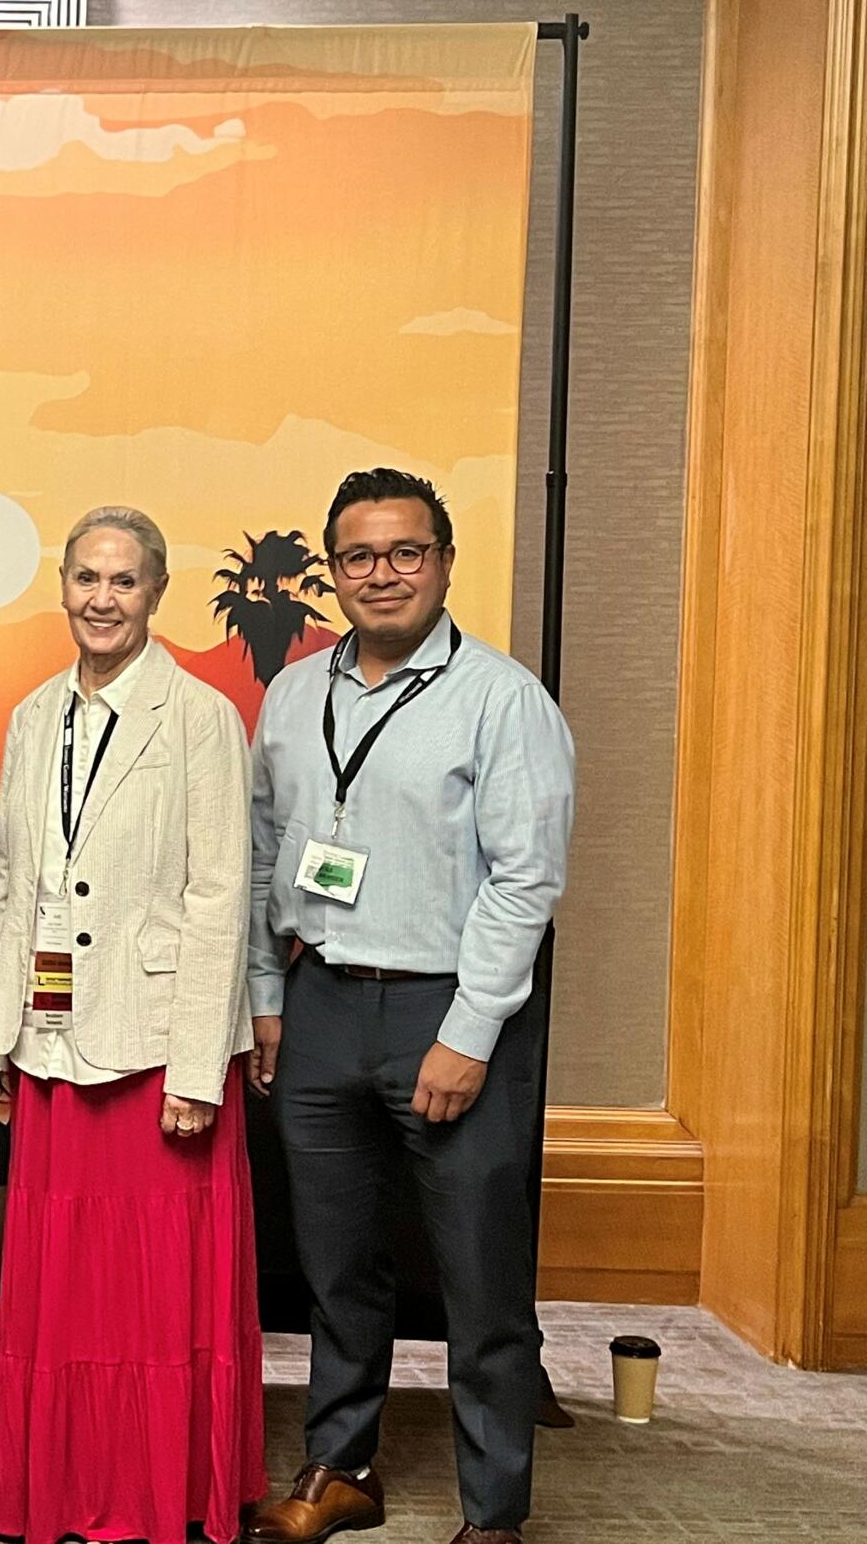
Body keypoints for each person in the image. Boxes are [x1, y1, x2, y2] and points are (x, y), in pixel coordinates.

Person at [243, 468, 575, 1544]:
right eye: (358, 556)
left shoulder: (502, 698)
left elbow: (526, 880)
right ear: (331, 570)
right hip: (322, 1002)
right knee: (337, 1268)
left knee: (478, 1284)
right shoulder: (294, 695)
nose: (380, 574)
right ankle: (339, 1467)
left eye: (405, 552)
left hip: (451, 1010)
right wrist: (267, 999)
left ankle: (494, 1513)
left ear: (442, 560)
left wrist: (468, 1034)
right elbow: (261, 857)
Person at [0, 507, 266, 1544]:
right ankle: (58, 1493)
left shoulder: (198, 718)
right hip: (50, 1037)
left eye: (124, 582)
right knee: (65, 1294)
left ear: (155, 593)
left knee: (150, 1296)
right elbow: (9, 881)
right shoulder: (38, 712)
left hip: (153, 1048)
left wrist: (198, 1070)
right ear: (61, 585)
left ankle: (154, 1495)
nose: (102, 599)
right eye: (86, 578)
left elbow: (222, 897)